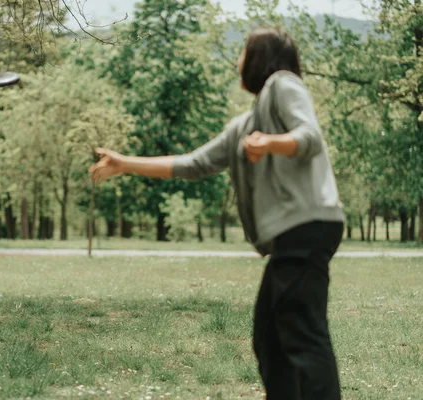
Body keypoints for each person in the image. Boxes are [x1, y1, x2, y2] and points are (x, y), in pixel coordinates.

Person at [90, 27, 345, 400]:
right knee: (270, 338)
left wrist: (270, 143)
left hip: (307, 227)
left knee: (304, 335)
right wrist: (124, 163)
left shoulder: (283, 83)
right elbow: (193, 163)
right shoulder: (244, 126)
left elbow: (310, 137)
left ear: (260, 57)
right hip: (297, 234)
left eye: (244, 52)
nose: (239, 61)